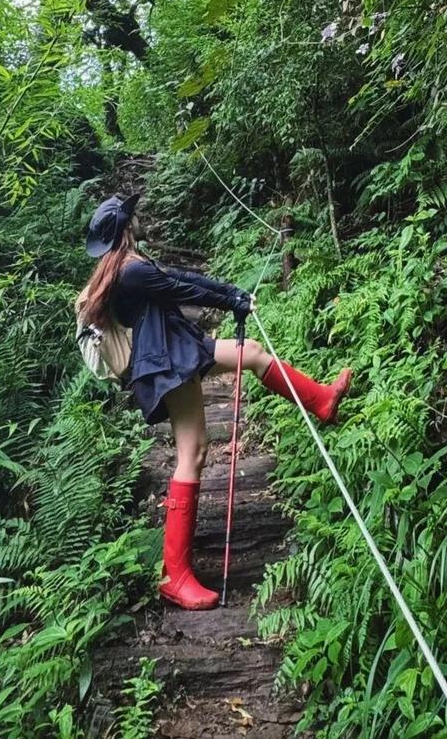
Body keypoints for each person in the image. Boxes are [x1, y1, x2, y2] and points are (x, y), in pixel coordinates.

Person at [81, 192, 353, 611]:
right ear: (125, 229)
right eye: (132, 218)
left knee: (253, 353)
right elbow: (179, 287)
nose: (138, 220)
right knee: (192, 453)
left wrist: (232, 293)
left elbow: (181, 276)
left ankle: (321, 401)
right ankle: (175, 576)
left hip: (179, 347)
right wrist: (230, 300)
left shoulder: (128, 266)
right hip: (168, 361)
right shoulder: (130, 272)